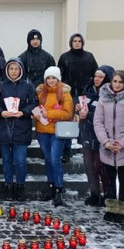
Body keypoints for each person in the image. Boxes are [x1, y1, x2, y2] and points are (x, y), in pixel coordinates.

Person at [93, 70, 124, 223]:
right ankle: (111, 207)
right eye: (115, 81)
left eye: (121, 82)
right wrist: (106, 141)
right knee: (110, 177)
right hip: (107, 144)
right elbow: (98, 121)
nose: (118, 84)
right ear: (111, 82)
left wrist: (123, 143)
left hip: (123, 145)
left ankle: (120, 209)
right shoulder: (103, 98)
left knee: (123, 177)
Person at [0, 58, 36, 201]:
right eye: (11, 68)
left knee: (20, 160)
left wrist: (23, 112)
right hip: (4, 127)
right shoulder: (0, 85)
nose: (13, 71)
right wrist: (0, 112)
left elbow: (33, 103)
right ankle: (8, 186)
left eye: (16, 69)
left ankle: (20, 187)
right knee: (6, 160)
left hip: (21, 126)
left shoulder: (28, 85)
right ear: (7, 70)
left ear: (21, 70)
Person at [34, 66, 74, 207]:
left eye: (54, 78)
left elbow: (68, 113)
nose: (51, 81)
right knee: (48, 159)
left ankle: (58, 190)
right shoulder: (40, 92)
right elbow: (36, 108)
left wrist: (49, 114)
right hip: (43, 130)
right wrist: (36, 114)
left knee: (55, 159)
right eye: (48, 78)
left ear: (58, 79)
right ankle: (51, 187)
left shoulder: (64, 93)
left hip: (57, 131)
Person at [76, 65, 114, 206]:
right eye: (96, 76)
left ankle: (107, 194)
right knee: (89, 166)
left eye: (101, 77)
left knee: (101, 167)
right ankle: (94, 193)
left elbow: (107, 115)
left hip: (101, 136)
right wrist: (78, 107)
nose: (97, 79)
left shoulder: (109, 95)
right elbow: (81, 104)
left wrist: (89, 115)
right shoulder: (88, 91)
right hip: (86, 134)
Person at [58, 33, 98, 99]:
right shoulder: (64, 57)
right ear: (71, 43)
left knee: (84, 109)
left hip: (86, 91)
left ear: (82, 43)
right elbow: (59, 75)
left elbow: (95, 73)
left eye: (79, 41)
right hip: (69, 91)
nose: (77, 43)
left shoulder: (89, 56)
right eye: (75, 41)